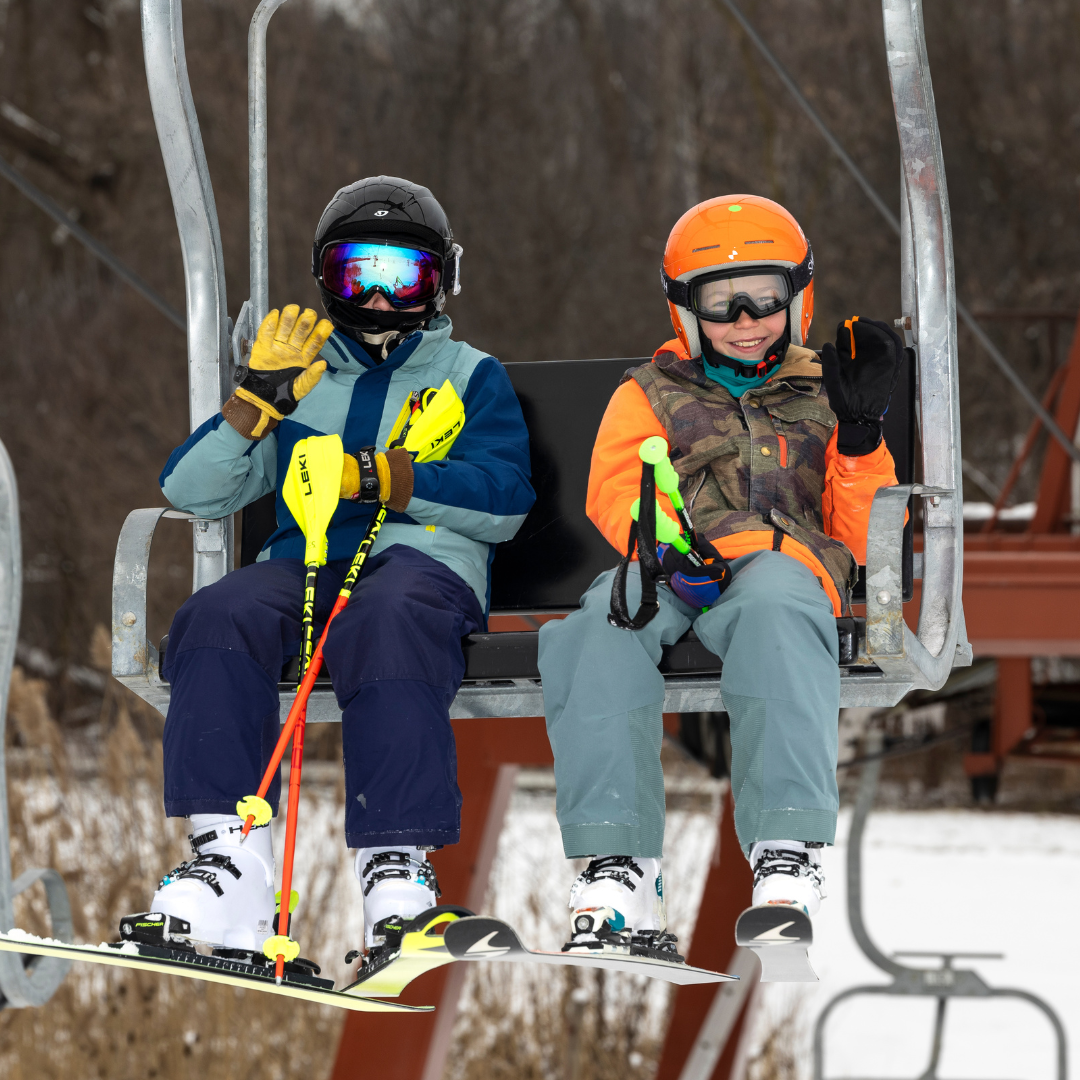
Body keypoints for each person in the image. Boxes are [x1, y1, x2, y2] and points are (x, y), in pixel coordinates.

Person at [132, 176, 535, 965]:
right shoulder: (300, 375)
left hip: (419, 571)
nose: (381, 298)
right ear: (325, 277)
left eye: (403, 276)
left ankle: (397, 873)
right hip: (305, 563)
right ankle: (229, 860)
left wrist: (396, 479)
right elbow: (191, 490)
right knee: (216, 614)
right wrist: (255, 403)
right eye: (360, 275)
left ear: (441, 279)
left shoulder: (468, 374)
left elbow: (506, 500)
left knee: (385, 621)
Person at [538, 194, 903, 962]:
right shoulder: (651, 392)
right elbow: (616, 487)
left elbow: (867, 533)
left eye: (765, 299)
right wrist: (665, 545)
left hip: (785, 569)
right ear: (685, 311)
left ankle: (784, 851)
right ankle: (617, 864)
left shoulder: (826, 391)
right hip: (674, 566)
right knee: (601, 620)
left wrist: (862, 439)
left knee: (772, 605)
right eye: (721, 303)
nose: (745, 319)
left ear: (797, 298)